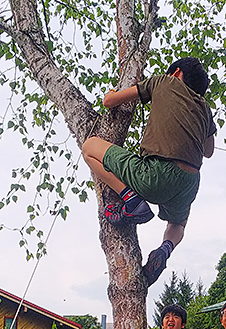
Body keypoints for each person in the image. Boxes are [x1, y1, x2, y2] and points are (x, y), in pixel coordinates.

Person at [81, 57, 216, 286]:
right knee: (177, 225)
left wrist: (111, 91)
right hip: (189, 182)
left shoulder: (163, 82)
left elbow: (109, 101)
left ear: (176, 73)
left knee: (89, 147)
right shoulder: (205, 107)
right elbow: (209, 152)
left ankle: (131, 200)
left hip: (155, 174)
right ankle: (165, 249)